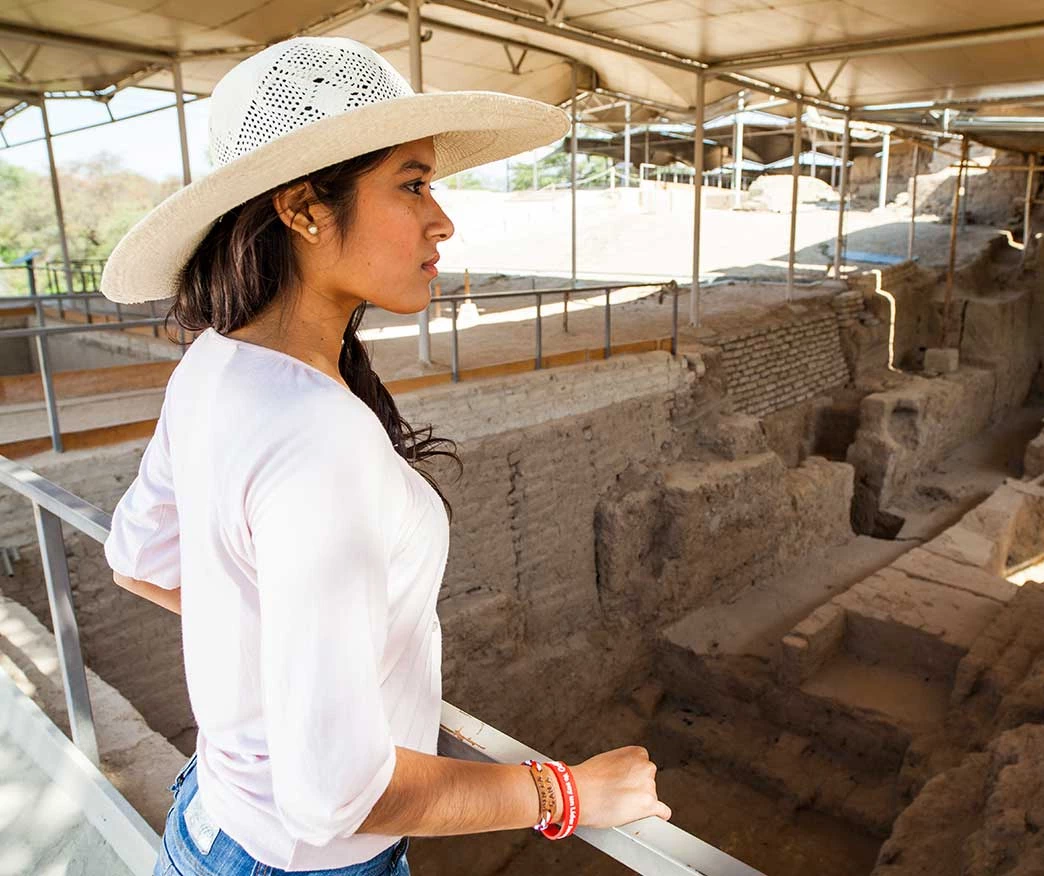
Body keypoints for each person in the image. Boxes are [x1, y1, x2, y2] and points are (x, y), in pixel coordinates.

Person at [100, 35, 671, 876]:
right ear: (303, 209)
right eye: (412, 184)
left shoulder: (216, 365)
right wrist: (567, 794)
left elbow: (138, 557)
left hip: (212, 824)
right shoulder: (321, 437)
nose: (443, 219)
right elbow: (335, 794)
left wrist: (294, 659)